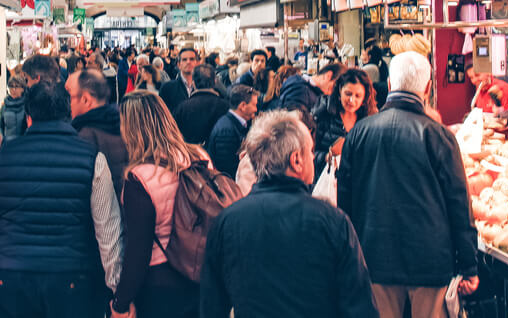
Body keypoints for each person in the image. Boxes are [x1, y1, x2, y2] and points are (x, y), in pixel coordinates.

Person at [0, 82, 123, 318]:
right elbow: (108, 233)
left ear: (28, 118)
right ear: (68, 116)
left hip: (12, 278)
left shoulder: (0, 158)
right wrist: (117, 291)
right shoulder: (93, 160)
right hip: (73, 280)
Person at [337, 52, 478, 317]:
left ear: (389, 85)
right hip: (430, 262)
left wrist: (348, 257)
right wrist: (468, 266)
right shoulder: (439, 135)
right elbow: (459, 204)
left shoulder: (359, 133)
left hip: (374, 257)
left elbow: (345, 200)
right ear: (427, 88)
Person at [201, 110, 377, 318]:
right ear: (296, 160)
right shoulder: (332, 221)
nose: (313, 157)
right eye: (310, 151)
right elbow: (359, 306)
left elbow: (212, 306)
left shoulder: (227, 222)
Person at [111, 92, 205, 318]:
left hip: (161, 282)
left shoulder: (139, 179)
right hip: (199, 274)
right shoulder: (198, 157)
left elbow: (138, 251)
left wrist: (121, 303)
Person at [67, 69, 130, 198]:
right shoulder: (126, 124)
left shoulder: (84, 136)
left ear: (85, 100)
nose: (67, 102)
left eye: (69, 95)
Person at [313, 69, 376, 177]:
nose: (352, 100)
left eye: (358, 96)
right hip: (328, 183)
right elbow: (309, 154)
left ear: (365, 97)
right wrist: (326, 157)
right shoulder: (324, 114)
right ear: (339, 91)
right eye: (348, 94)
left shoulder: (370, 121)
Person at [207, 84, 258, 178]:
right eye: (254, 105)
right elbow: (227, 169)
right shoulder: (226, 132)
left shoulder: (237, 124)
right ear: (243, 106)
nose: (256, 109)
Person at [173, 64, 230, 145]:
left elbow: (175, 135)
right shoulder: (225, 106)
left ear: (193, 83)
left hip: (190, 154)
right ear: (215, 81)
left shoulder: (182, 108)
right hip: (218, 154)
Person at [279, 62, 343, 114]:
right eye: (334, 87)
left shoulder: (304, 86)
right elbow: (292, 123)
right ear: (328, 76)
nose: (331, 93)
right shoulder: (301, 91)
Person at [159, 47, 198, 114]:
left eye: (192, 59)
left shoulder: (203, 87)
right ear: (179, 65)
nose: (188, 62)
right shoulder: (167, 88)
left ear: (197, 63)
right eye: (184, 60)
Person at [0, 73, 27, 142]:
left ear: (22, 89)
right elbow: (1, 127)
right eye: (11, 86)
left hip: (23, 143)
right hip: (8, 144)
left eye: (17, 86)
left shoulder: (27, 105)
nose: (14, 89)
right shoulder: (4, 106)